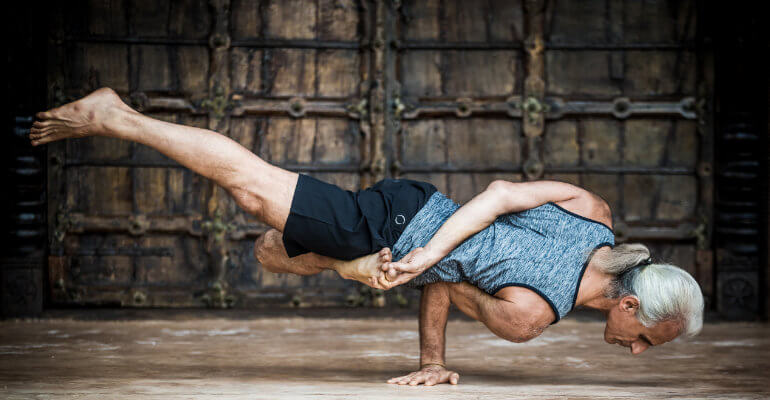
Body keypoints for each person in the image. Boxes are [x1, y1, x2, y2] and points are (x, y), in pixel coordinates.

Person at [31, 88, 704, 386]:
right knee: (251, 189)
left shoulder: (596, 210)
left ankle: (348, 266)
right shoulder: (534, 313)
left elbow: (441, 284)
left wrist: (431, 360)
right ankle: (116, 116)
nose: (636, 349)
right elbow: (494, 200)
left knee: (274, 255)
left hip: (410, 207)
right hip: (401, 225)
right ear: (628, 306)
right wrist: (427, 254)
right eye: (645, 336)